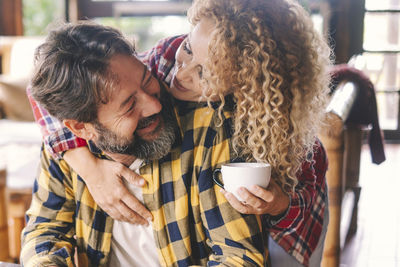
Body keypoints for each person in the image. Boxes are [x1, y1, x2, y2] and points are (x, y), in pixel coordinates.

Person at [27, 0, 331, 266]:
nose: (157, 101)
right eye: (130, 104)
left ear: (244, 90)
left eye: (204, 74)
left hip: (294, 214)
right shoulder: (157, 64)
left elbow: (239, 256)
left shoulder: (220, 128)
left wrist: (278, 204)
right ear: (80, 126)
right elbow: (42, 89)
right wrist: (88, 168)